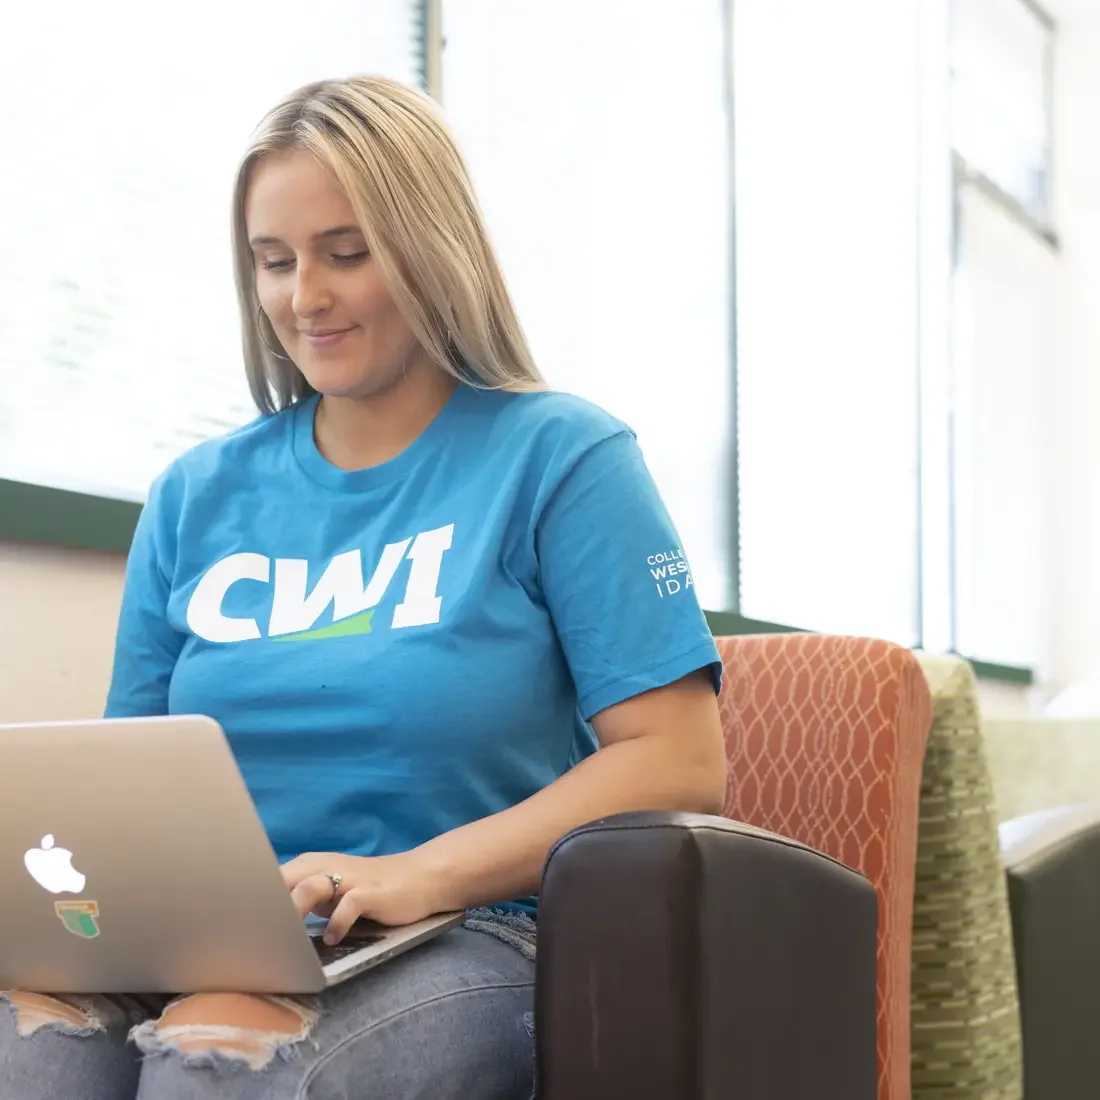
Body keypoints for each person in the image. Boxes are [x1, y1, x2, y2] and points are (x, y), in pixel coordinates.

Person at [0, 75, 725, 1100]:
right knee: (24, 1050)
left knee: (218, 1068)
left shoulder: (562, 456)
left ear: (430, 246)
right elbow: (126, 781)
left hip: (464, 929)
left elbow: (679, 759)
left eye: (347, 253)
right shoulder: (193, 496)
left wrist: (417, 871)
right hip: (220, 933)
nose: (306, 296)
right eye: (275, 261)